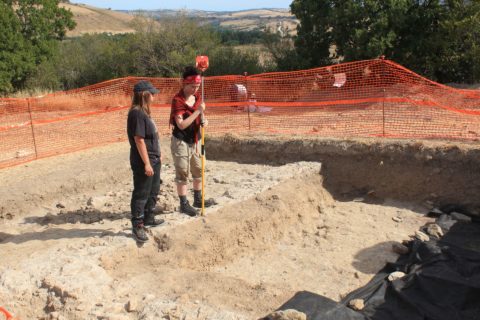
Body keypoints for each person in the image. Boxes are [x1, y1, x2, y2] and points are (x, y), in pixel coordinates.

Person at [170, 66, 216, 217]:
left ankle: (198, 198)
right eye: (192, 86)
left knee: (199, 168)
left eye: (197, 86)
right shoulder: (178, 101)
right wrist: (198, 111)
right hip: (181, 140)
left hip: (197, 139)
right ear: (184, 83)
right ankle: (183, 204)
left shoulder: (198, 98)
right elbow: (181, 124)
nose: (195, 89)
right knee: (183, 171)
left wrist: (205, 121)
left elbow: (202, 118)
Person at [127, 80, 165, 243]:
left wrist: (158, 155)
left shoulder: (144, 112)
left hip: (153, 158)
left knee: (153, 189)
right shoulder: (137, 113)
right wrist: (147, 163)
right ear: (145, 95)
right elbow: (139, 140)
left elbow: (152, 137)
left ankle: (149, 216)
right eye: (152, 94)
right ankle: (138, 225)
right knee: (141, 193)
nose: (154, 96)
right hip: (144, 160)